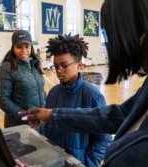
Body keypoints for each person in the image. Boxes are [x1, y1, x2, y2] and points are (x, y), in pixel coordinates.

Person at [20, 0, 148, 166]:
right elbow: (116, 116)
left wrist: (86, 162)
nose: (112, 47)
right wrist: (51, 115)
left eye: (114, 36)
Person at [39, 34, 112, 167]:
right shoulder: (53, 93)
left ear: (78, 65)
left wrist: (86, 162)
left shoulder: (93, 96)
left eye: (64, 65)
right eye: (55, 66)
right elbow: (48, 128)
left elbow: (104, 140)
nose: (59, 71)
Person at [0, 30, 46, 128]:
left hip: (39, 123)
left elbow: (41, 91)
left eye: (27, 46)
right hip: (20, 125)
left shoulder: (35, 65)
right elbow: (2, 98)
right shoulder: (6, 68)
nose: (24, 50)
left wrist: (45, 111)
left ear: (31, 47)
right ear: (13, 47)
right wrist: (26, 118)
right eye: (19, 47)